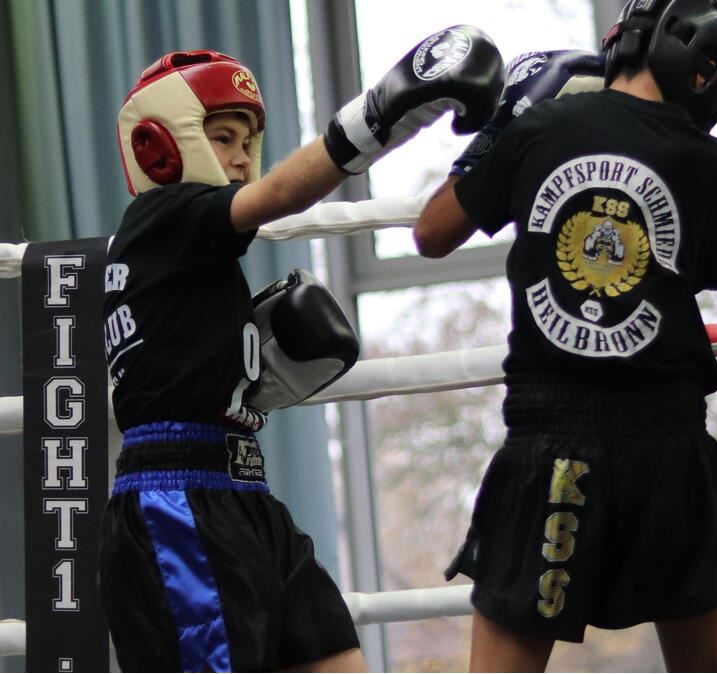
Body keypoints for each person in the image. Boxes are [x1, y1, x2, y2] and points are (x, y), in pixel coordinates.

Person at [100, 32, 503, 672]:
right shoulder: (164, 214)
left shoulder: (176, 250)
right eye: (221, 137)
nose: (238, 158)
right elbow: (281, 194)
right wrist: (389, 113)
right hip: (178, 502)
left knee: (337, 658)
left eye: (245, 141)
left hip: (242, 492)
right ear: (158, 143)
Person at [412, 0, 717, 671]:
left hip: (551, 447)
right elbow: (710, 270)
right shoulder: (710, 161)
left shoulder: (539, 126)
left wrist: (501, 128)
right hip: (670, 448)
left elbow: (430, 233)